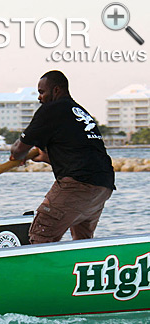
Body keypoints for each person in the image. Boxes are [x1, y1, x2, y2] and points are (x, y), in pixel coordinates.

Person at [10, 70, 115, 244]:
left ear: (56, 90)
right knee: (81, 240)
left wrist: (18, 154)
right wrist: (45, 157)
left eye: (42, 92)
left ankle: (42, 271)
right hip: (103, 185)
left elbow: (18, 150)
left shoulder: (51, 109)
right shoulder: (78, 112)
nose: (39, 98)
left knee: (41, 234)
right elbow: (79, 152)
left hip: (78, 183)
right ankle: (80, 269)